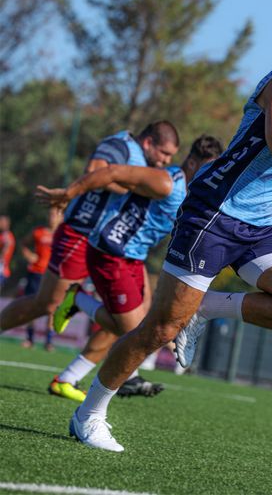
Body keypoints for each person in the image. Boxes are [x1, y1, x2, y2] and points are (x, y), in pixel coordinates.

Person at [63, 8, 272, 452]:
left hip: (261, 224)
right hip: (215, 215)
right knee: (159, 328)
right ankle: (88, 414)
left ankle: (209, 308)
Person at [37, 135, 224, 400]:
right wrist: (69, 193)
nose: (211, 175)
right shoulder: (167, 182)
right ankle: (78, 299)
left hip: (132, 258)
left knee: (135, 325)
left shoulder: (192, 188)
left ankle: (67, 378)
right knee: (134, 330)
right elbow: (112, 171)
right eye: (207, 168)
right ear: (192, 162)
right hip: (110, 253)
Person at [0, 121, 179, 395]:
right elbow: (96, 172)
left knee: (132, 312)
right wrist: (127, 180)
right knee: (45, 304)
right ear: (148, 143)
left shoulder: (148, 168)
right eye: (164, 154)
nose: (166, 161)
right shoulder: (119, 145)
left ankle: (71, 378)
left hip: (114, 245)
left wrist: (131, 180)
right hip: (80, 235)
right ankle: (77, 302)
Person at [20, 207, 62, 350]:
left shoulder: (64, 234)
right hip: (36, 273)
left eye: (56, 214)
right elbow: (23, 243)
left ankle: (49, 341)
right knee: (32, 305)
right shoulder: (38, 232)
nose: (52, 217)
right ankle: (30, 339)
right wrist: (29, 255)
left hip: (54, 275)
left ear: (61, 217)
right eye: (51, 214)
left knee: (51, 308)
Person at [0, 215, 16, 291]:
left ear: (6, 223)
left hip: (2, 269)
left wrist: (2, 257)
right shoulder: (4, 235)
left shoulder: (6, 235)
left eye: (1, 221)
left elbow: (7, 244)